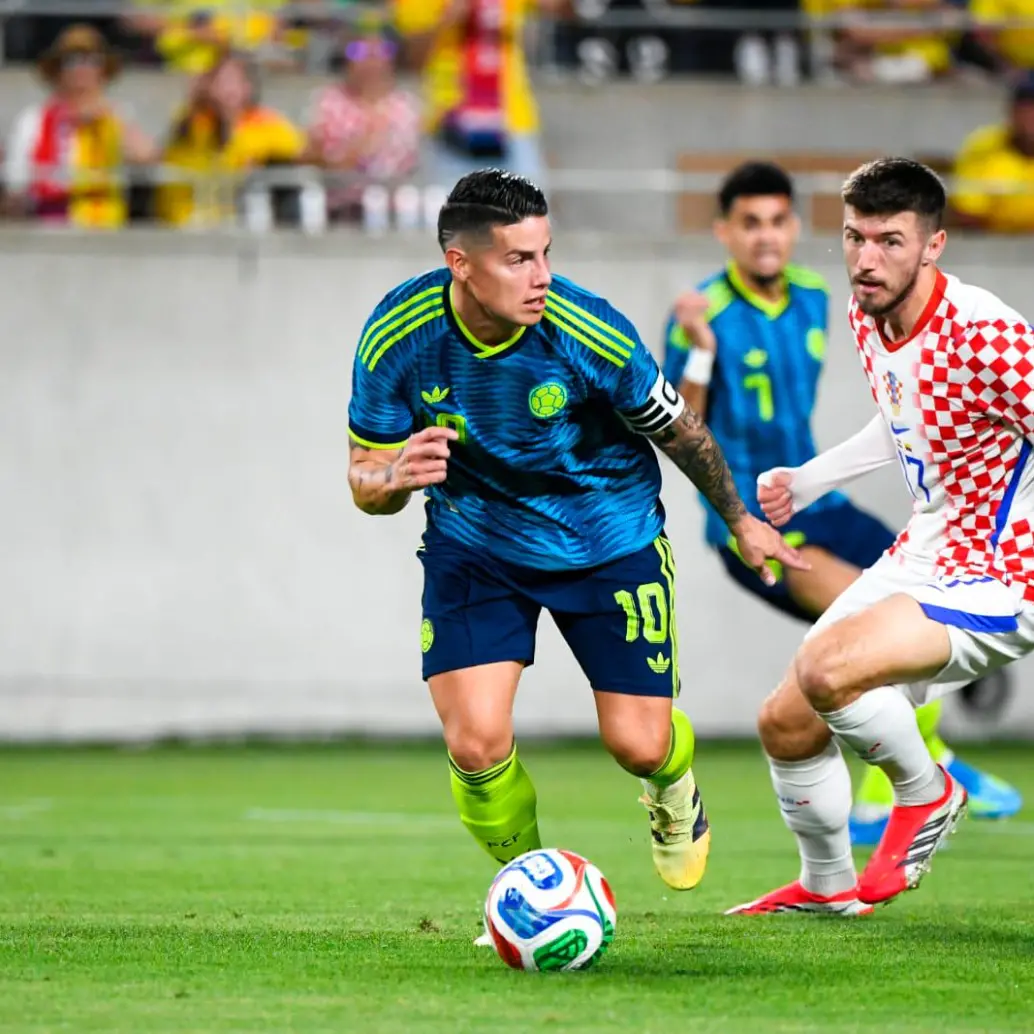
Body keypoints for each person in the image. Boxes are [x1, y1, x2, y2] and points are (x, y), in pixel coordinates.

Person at [347, 169, 804, 933]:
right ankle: (530, 891)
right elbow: (364, 475)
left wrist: (740, 518)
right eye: (519, 259)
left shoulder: (587, 330)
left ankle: (671, 784)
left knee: (638, 744)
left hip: (607, 538)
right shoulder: (399, 335)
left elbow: (681, 431)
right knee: (475, 743)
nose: (542, 276)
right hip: (476, 544)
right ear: (461, 264)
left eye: (546, 253)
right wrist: (392, 479)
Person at [662, 160, 1021, 850]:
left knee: (902, 623)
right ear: (724, 232)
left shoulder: (820, 296)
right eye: (749, 223)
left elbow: (906, 409)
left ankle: (914, 783)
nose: (766, 237)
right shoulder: (703, 311)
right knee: (856, 652)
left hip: (833, 510)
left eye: (777, 221)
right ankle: (908, 788)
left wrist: (812, 480)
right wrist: (702, 352)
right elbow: (683, 425)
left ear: (796, 227)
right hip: (756, 522)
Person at [3, 25, 155, 228]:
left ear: (103, 71)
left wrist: (109, 118)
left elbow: (145, 158)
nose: (82, 70)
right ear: (58, 72)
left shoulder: (118, 116)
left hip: (105, 227)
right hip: (48, 225)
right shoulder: (34, 119)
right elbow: (17, 184)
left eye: (92, 61)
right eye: (71, 61)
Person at [305, 28, 420, 223]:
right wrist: (363, 144)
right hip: (341, 209)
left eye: (379, 53)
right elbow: (317, 160)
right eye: (360, 53)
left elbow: (413, 167)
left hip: (396, 210)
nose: (370, 61)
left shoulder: (407, 106)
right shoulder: (328, 103)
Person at [951, 74, 1034, 235]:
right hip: (993, 242)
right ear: (1011, 112)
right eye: (1026, 108)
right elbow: (967, 213)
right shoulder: (983, 147)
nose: (1031, 117)